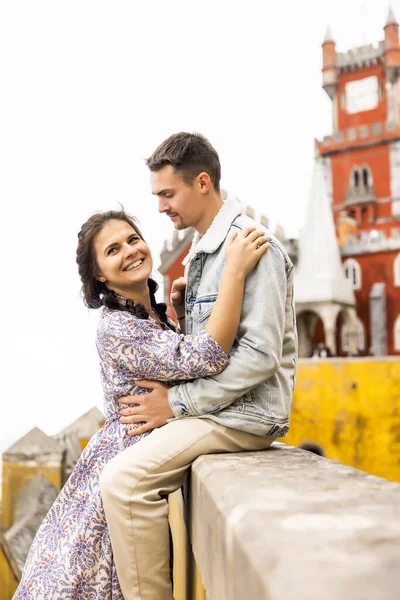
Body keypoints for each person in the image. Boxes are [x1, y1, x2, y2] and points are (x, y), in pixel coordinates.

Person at [12, 210, 268, 599]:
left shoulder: (150, 315)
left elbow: (180, 365)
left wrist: (180, 316)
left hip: (138, 451)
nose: (129, 251)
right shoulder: (117, 325)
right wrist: (234, 273)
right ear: (99, 274)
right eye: (113, 250)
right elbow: (209, 356)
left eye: (133, 239)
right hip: (125, 459)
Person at [100, 132, 298, 600]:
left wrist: (175, 403)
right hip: (223, 410)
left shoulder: (253, 246)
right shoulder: (206, 252)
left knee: (124, 482)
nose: (162, 208)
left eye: (168, 194)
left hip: (247, 415)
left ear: (203, 183)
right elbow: (214, 349)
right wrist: (186, 318)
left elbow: (260, 357)